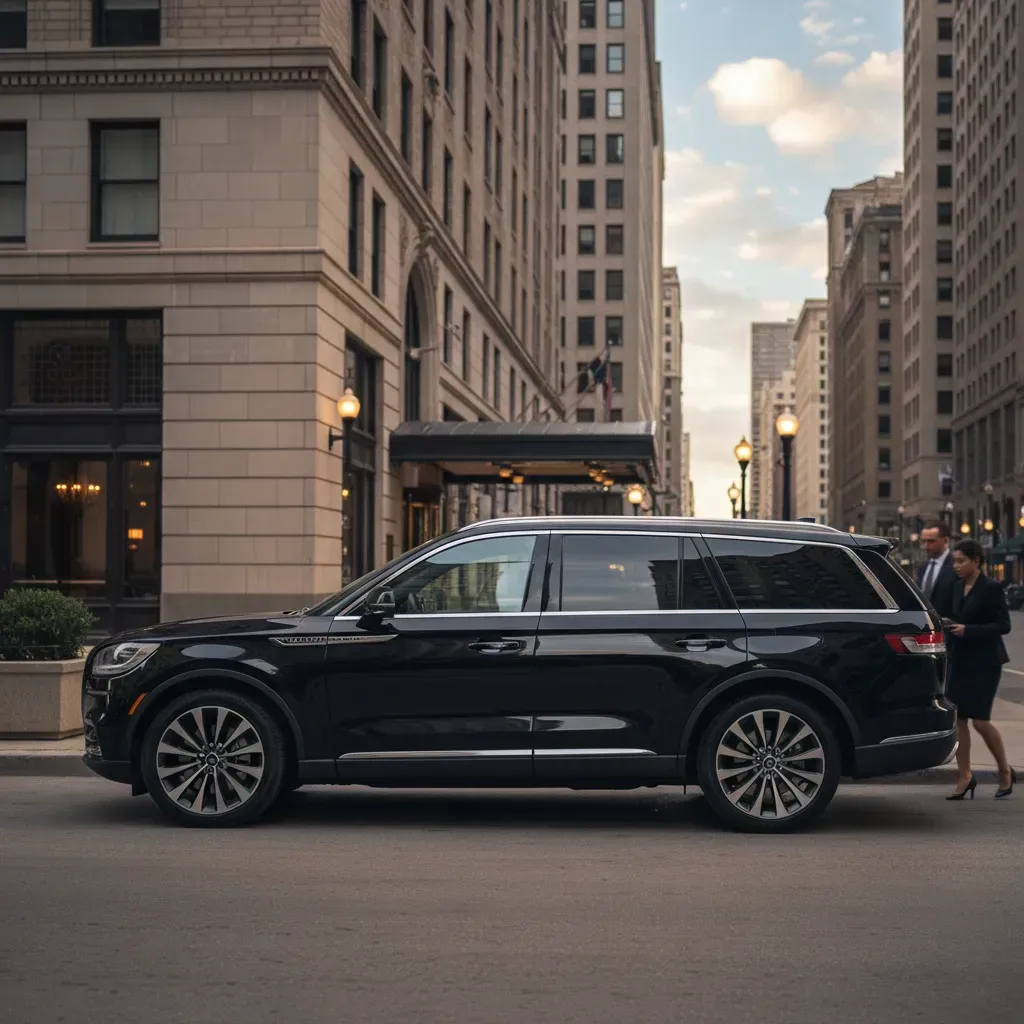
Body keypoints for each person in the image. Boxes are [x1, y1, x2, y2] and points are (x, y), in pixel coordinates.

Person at [945, 538, 1016, 800]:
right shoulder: (956, 588)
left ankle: (1005, 771)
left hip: (986, 662)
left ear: (976, 561)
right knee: (959, 719)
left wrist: (969, 631)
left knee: (981, 720)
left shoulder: (991, 588)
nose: (956, 565)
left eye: (961, 561)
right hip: (961, 660)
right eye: (954, 561)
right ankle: (964, 776)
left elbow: (1003, 625)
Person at [917, 521, 957, 620]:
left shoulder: (956, 566)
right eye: (923, 541)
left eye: (931, 541)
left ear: (945, 540)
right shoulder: (923, 567)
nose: (925, 546)